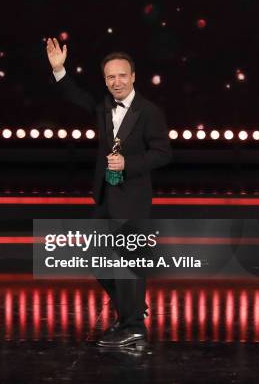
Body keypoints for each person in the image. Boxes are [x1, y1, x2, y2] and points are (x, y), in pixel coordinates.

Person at [45, 38, 172, 348]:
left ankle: (133, 328)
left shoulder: (149, 111)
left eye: (122, 76)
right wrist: (60, 69)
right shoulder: (103, 106)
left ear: (132, 77)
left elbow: (163, 153)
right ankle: (131, 310)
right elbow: (77, 97)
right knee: (92, 254)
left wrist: (128, 163)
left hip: (132, 197)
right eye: (110, 77)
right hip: (106, 196)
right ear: (106, 80)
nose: (116, 82)